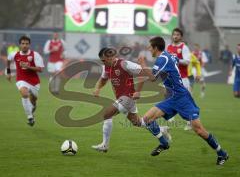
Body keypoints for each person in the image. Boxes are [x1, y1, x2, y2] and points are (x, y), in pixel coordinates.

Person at [138, 36, 228, 165]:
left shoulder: (162, 59)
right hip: (171, 98)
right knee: (147, 119)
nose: (148, 48)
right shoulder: (169, 56)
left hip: (182, 98)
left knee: (199, 130)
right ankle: (164, 143)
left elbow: (152, 78)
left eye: (150, 46)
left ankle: (222, 153)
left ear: (156, 48)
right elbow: (173, 64)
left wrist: (143, 64)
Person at [91, 47, 171, 152]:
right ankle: (161, 130)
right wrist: (97, 89)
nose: (103, 62)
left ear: (110, 57)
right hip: (122, 98)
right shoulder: (106, 67)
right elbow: (103, 79)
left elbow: (143, 73)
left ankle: (105, 145)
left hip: (127, 97)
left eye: (104, 60)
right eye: (102, 60)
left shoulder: (124, 64)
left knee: (107, 114)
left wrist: (138, 91)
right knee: (137, 122)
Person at [6, 36, 44, 126]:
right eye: (23, 43)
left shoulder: (35, 55)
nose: (24, 45)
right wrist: (8, 73)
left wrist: (28, 67)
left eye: (26, 44)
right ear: (20, 44)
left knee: (33, 101)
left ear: (29, 45)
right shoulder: (14, 54)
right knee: (24, 93)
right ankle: (30, 117)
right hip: (21, 80)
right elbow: (8, 60)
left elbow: (40, 69)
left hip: (34, 82)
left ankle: (33, 108)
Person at [167, 28, 191, 130]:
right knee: (171, 98)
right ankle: (171, 116)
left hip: (183, 78)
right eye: (174, 34)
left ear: (181, 36)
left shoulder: (184, 47)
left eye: (177, 35)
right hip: (172, 79)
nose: (175, 36)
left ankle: (190, 122)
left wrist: (176, 59)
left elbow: (187, 61)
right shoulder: (168, 47)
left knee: (185, 101)